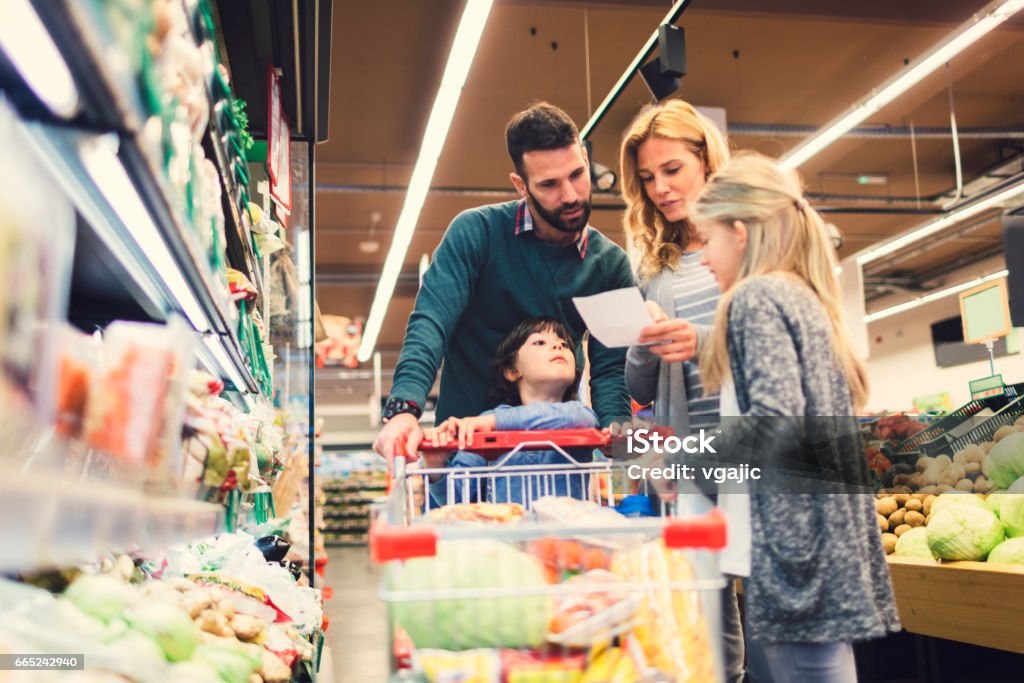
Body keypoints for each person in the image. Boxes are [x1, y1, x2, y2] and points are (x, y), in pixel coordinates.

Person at [691, 152, 901, 682]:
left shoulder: (756, 297)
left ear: (740, 234)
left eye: (707, 240)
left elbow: (775, 428)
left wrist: (682, 459)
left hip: (794, 554)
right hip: (825, 545)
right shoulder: (803, 296)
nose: (703, 259)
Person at [373, 102, 634, 461]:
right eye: (550, 184)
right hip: (465, 458)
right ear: (521, 186)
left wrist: (621, 455)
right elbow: (431, 322)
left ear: (587, 161)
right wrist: (404, 409)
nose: (571, 195)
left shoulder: (612, 266)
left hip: (556, 458)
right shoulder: (476, 234)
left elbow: (611, 373)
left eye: (577, 174)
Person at [618, 99, 749, 683]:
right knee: (704, 600)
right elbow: (637, 385)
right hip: (689, 455)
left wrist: (699, 340)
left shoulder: (750, 243)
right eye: (648, 178)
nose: (661, 189)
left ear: (705, 159)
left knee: (768, 594)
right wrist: (644, 342)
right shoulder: (654, 268)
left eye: (672, 170)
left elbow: (773, 341)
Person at [422, 317, 599, 507]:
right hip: (509, 533)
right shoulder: (488, 423)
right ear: (512, 371)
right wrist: (435, 466)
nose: (558, 347)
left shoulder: (577, 413)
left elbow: (583, 419)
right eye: (540, 342)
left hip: (566, 535)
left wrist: (494, 422)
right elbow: (455, 498)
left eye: (564, 344)